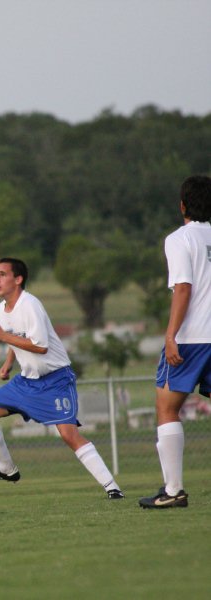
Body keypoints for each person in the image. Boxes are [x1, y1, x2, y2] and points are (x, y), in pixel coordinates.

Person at [0, 258, 123, 499]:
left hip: (55, 380)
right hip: (26, 382)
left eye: (2, 274)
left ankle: (112, 488)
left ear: (18, 279)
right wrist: (8, 362)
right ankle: (6, 468)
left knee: (68, 434)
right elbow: (15, 336)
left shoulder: (30, 305)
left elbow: (40, 347)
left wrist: (2, 336)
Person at [139, 175, 211, 509]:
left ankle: (173, 490)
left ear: (182, 204)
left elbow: (183, 288)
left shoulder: (180, 239)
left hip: (192, 339)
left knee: (167, 408)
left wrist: (170, 336)